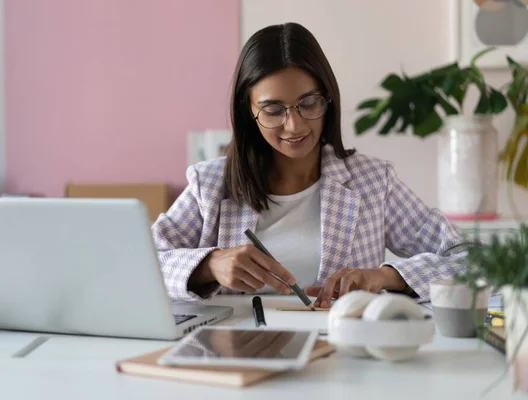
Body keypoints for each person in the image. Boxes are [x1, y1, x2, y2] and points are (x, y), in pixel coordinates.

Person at [151, 22, 465, 307]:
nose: (295, 126)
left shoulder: (372, 181)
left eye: (309, 103)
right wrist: (208, 266)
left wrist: (385, 277)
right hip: (236, 351)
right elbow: (140, 263)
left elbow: (468, 258)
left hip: (341, 353)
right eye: (273, 109)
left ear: (328, 99)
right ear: (248, 111)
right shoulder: (210, 185)